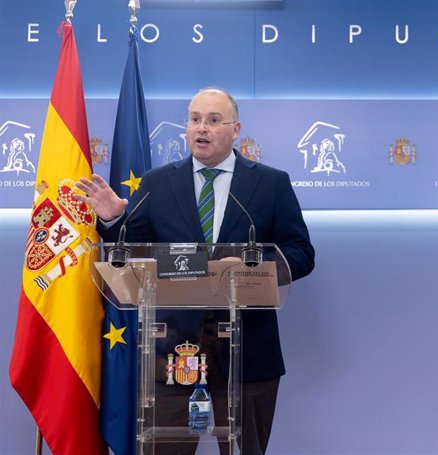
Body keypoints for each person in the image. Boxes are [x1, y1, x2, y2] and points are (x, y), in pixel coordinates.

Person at [76, 87, 315, 455]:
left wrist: (254, 270)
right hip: (173, 356)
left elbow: (301, 253)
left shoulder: (270, 184)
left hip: (248, 354)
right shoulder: (157, 184)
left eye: (214, 120)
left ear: (236, 129)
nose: (202, 128)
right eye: (194, 119)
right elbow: (133, 248)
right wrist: (114, 219)